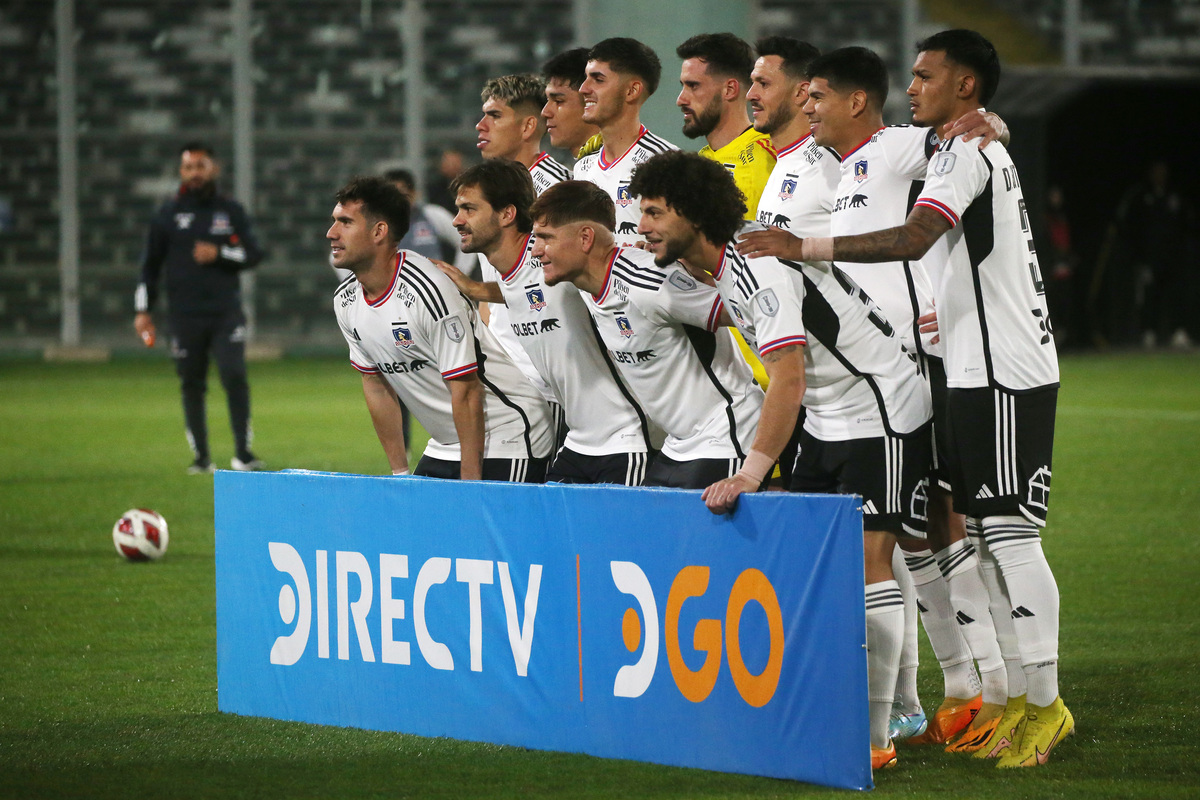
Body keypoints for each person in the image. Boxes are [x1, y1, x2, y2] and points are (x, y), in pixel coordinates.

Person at [748, 31, 1072, 768]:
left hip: (973, 365)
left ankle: (1022, 696)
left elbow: (923, 228)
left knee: (991, 534)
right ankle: (988, 694)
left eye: (927, 75)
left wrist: (993, 120)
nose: (914, 86)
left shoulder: (913, 146)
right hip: (942, 366)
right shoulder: (834, 168)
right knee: (953, 534)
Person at [631, 150, 934, 771]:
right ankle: (869, 709)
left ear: (690, 212)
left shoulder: (755, 267)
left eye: (656, 213)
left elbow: (787, 378)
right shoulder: (720, 264)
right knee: (817, 567)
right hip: (828, 418)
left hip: (880, 408)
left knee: (870, 564)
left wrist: (750, 469)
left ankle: (877, 737)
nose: (645, 227)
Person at [530, 180, 764, 489]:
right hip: (678, 444)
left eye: (545, 238)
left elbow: (748, 312)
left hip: (726, 434)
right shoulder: (586, 282)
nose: (536, 251)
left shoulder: (650, 284)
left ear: (585, 238)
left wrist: (698, 274)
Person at [435, 159, 653, 484]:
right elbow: (525, 290)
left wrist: (645, 256)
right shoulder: (513, 269)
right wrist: (478, 289)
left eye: (469, 209)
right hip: (578, 441)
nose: (457, 221)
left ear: (507, 214)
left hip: (626, 438)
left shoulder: (557, 258)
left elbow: (607, 263)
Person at [329, 176, 553, 481]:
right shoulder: (346, 301)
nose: (331, 233)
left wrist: (470, 486)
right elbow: (377, 387)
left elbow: (467, 391)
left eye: (345, 222)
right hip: (446, 442)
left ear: (378, 231)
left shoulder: (427, 289)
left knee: (480, 526)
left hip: (505, 432)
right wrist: (399, 474)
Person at [134, 142, 265, 474]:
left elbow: (253, 254)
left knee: (234, 375)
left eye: (201, 166)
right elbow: (149, 266)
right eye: (188, 167)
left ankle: (243, 453)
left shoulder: (230, 210)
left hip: (225, 313)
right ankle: (202, 458)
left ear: (214, 169)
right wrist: (142, 310)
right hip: (183, 316)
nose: (194, 173)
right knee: (191, 383)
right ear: (181, 172)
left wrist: (219, 254)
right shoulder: (167, 214)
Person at [573, 38, 678, 246]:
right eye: (586, 78)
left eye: (598, 79)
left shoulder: (666, 164)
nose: (583, 89)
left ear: (632, 91)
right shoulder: (582, 168)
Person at [676, 32, 776, 216]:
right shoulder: (698, 162)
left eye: (693, 86)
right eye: (682, 86)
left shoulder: (769, 155)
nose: (680, 100)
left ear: (729, 89)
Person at [1114, 160, 1195, 349]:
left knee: (1176, 294)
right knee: (1150, 296)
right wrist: (1140, 257)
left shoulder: (1175, 196)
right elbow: (1132, 228)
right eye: (1157, 172)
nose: (1160, 176)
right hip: (1150, 259)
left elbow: (1185, 226)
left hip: (1172, 258)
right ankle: (1148, 332)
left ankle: (1178, 331)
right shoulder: (1142, 197)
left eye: (1163, 172)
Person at [541, 48, 602, 160]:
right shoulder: (581, 169)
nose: (545, 112)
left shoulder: (631, 169)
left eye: (559, 101)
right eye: (547, 100)